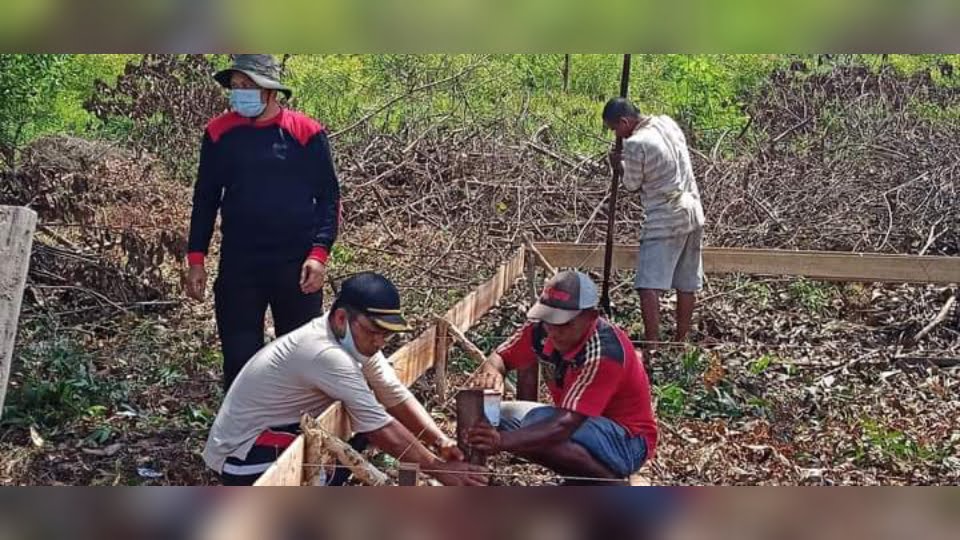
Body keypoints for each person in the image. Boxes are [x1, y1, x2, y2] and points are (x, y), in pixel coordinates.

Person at [202, 272, 487, 486]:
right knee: (364, 430)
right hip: (240, 457)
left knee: (359, 429)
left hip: (275, 439)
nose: (379, 341)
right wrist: (438, 469)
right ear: (341, 318)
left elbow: (393, 395)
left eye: (385, 335)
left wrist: (440, 441)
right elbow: (379, 427)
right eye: (373, 331)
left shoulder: (356, 342)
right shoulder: (325, 353)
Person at [184, 54, 340, 390]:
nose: (240, 93)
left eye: (248, 86)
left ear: (270, 92)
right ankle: (243, 436)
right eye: (236, 86)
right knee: (240, 357)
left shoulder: (306, 133)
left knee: (301, 354)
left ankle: (297, 433)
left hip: (295, 261)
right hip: (240, 263)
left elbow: (329, 197)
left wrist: (319, 254)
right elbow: (206, 198)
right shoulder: (218, 134)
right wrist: (196, 259)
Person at [467, 271, 657, 484]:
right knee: (496, 417)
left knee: (538, 423)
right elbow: (500, 358)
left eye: (565, 324)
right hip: (580, 426)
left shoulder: (605, 351)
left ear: (591, 317)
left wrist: (501, 441)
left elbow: (563, 426)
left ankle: (608, 483)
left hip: (628, 443)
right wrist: (491, 375)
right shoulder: (540, 329)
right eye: (549, 321)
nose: (554, 332)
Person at [603, 97, 705, 359]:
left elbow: (632, 184)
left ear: (625, 122)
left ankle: (653, 347)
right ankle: (680, 344)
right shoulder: (666, 122)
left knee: (647, 284)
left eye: (615, 129)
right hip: (693, 209)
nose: (617, 134)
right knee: (686, 282)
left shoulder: (636, 143)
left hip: (667, 216)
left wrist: (619, 166)